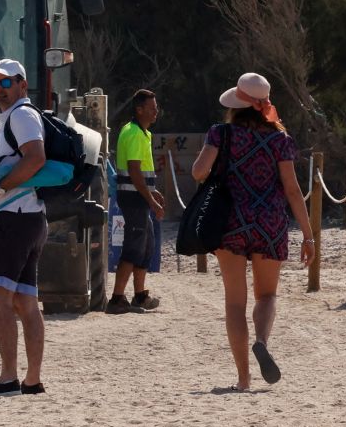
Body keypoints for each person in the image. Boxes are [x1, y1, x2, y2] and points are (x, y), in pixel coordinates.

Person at [190, 72, 313, 391]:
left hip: (230, 222)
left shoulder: (220, 133)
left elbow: (198, 172)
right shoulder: (280, 139)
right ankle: (261, 340)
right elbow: (292, 189)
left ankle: (243, 379)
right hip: (270, 223)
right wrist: (309, 235)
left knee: (234, 303)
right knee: (268, 294)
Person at [0, 58, 49, 395]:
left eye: (6, 83)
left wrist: (0, 188)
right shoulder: (16, 116)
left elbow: (35, 158)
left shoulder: (21, 115)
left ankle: (7, 377)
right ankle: (31, 380)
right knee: (25, 302)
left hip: (13, 216)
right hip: (29, 216)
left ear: (23, 85)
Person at [107, 88, 166, 314]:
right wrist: (151, 200)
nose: (155, 112)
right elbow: (133, 171)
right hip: (133, 198)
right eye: (151, 108)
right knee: (133, 247)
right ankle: (116, 299)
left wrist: (153, 191)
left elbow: (142, 172)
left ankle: (140, 296)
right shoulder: (132, 133)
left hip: (139, 195)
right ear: (139, 109)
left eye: (156, 108)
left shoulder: (143, 133)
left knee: (146, 245)